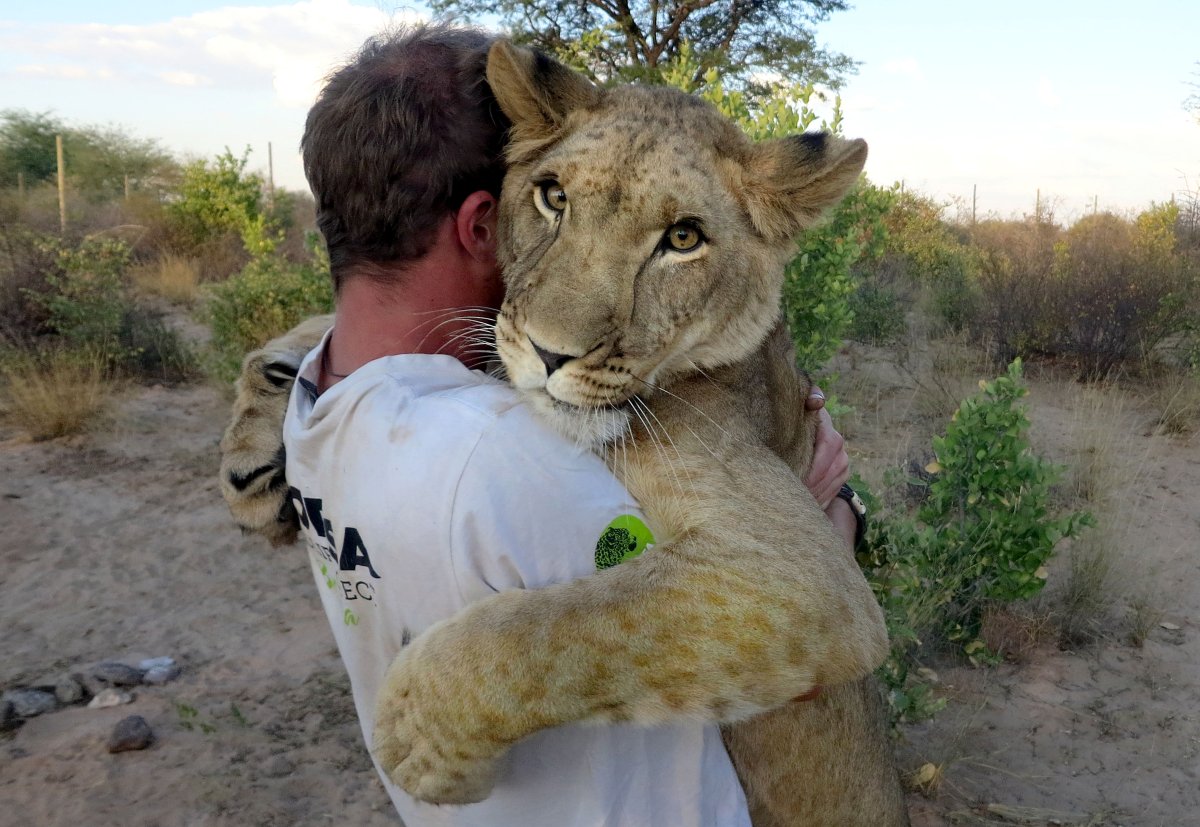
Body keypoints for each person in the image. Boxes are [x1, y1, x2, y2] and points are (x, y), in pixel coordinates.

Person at [281, 22, 860, 827]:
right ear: (483, 219)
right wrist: (832, 510)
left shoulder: (318, 392)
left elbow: (812, 613)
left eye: (680, 237)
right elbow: (802, 604)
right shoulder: (510, 461)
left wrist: (481, 674)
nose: (562, 332)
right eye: (553, 198)